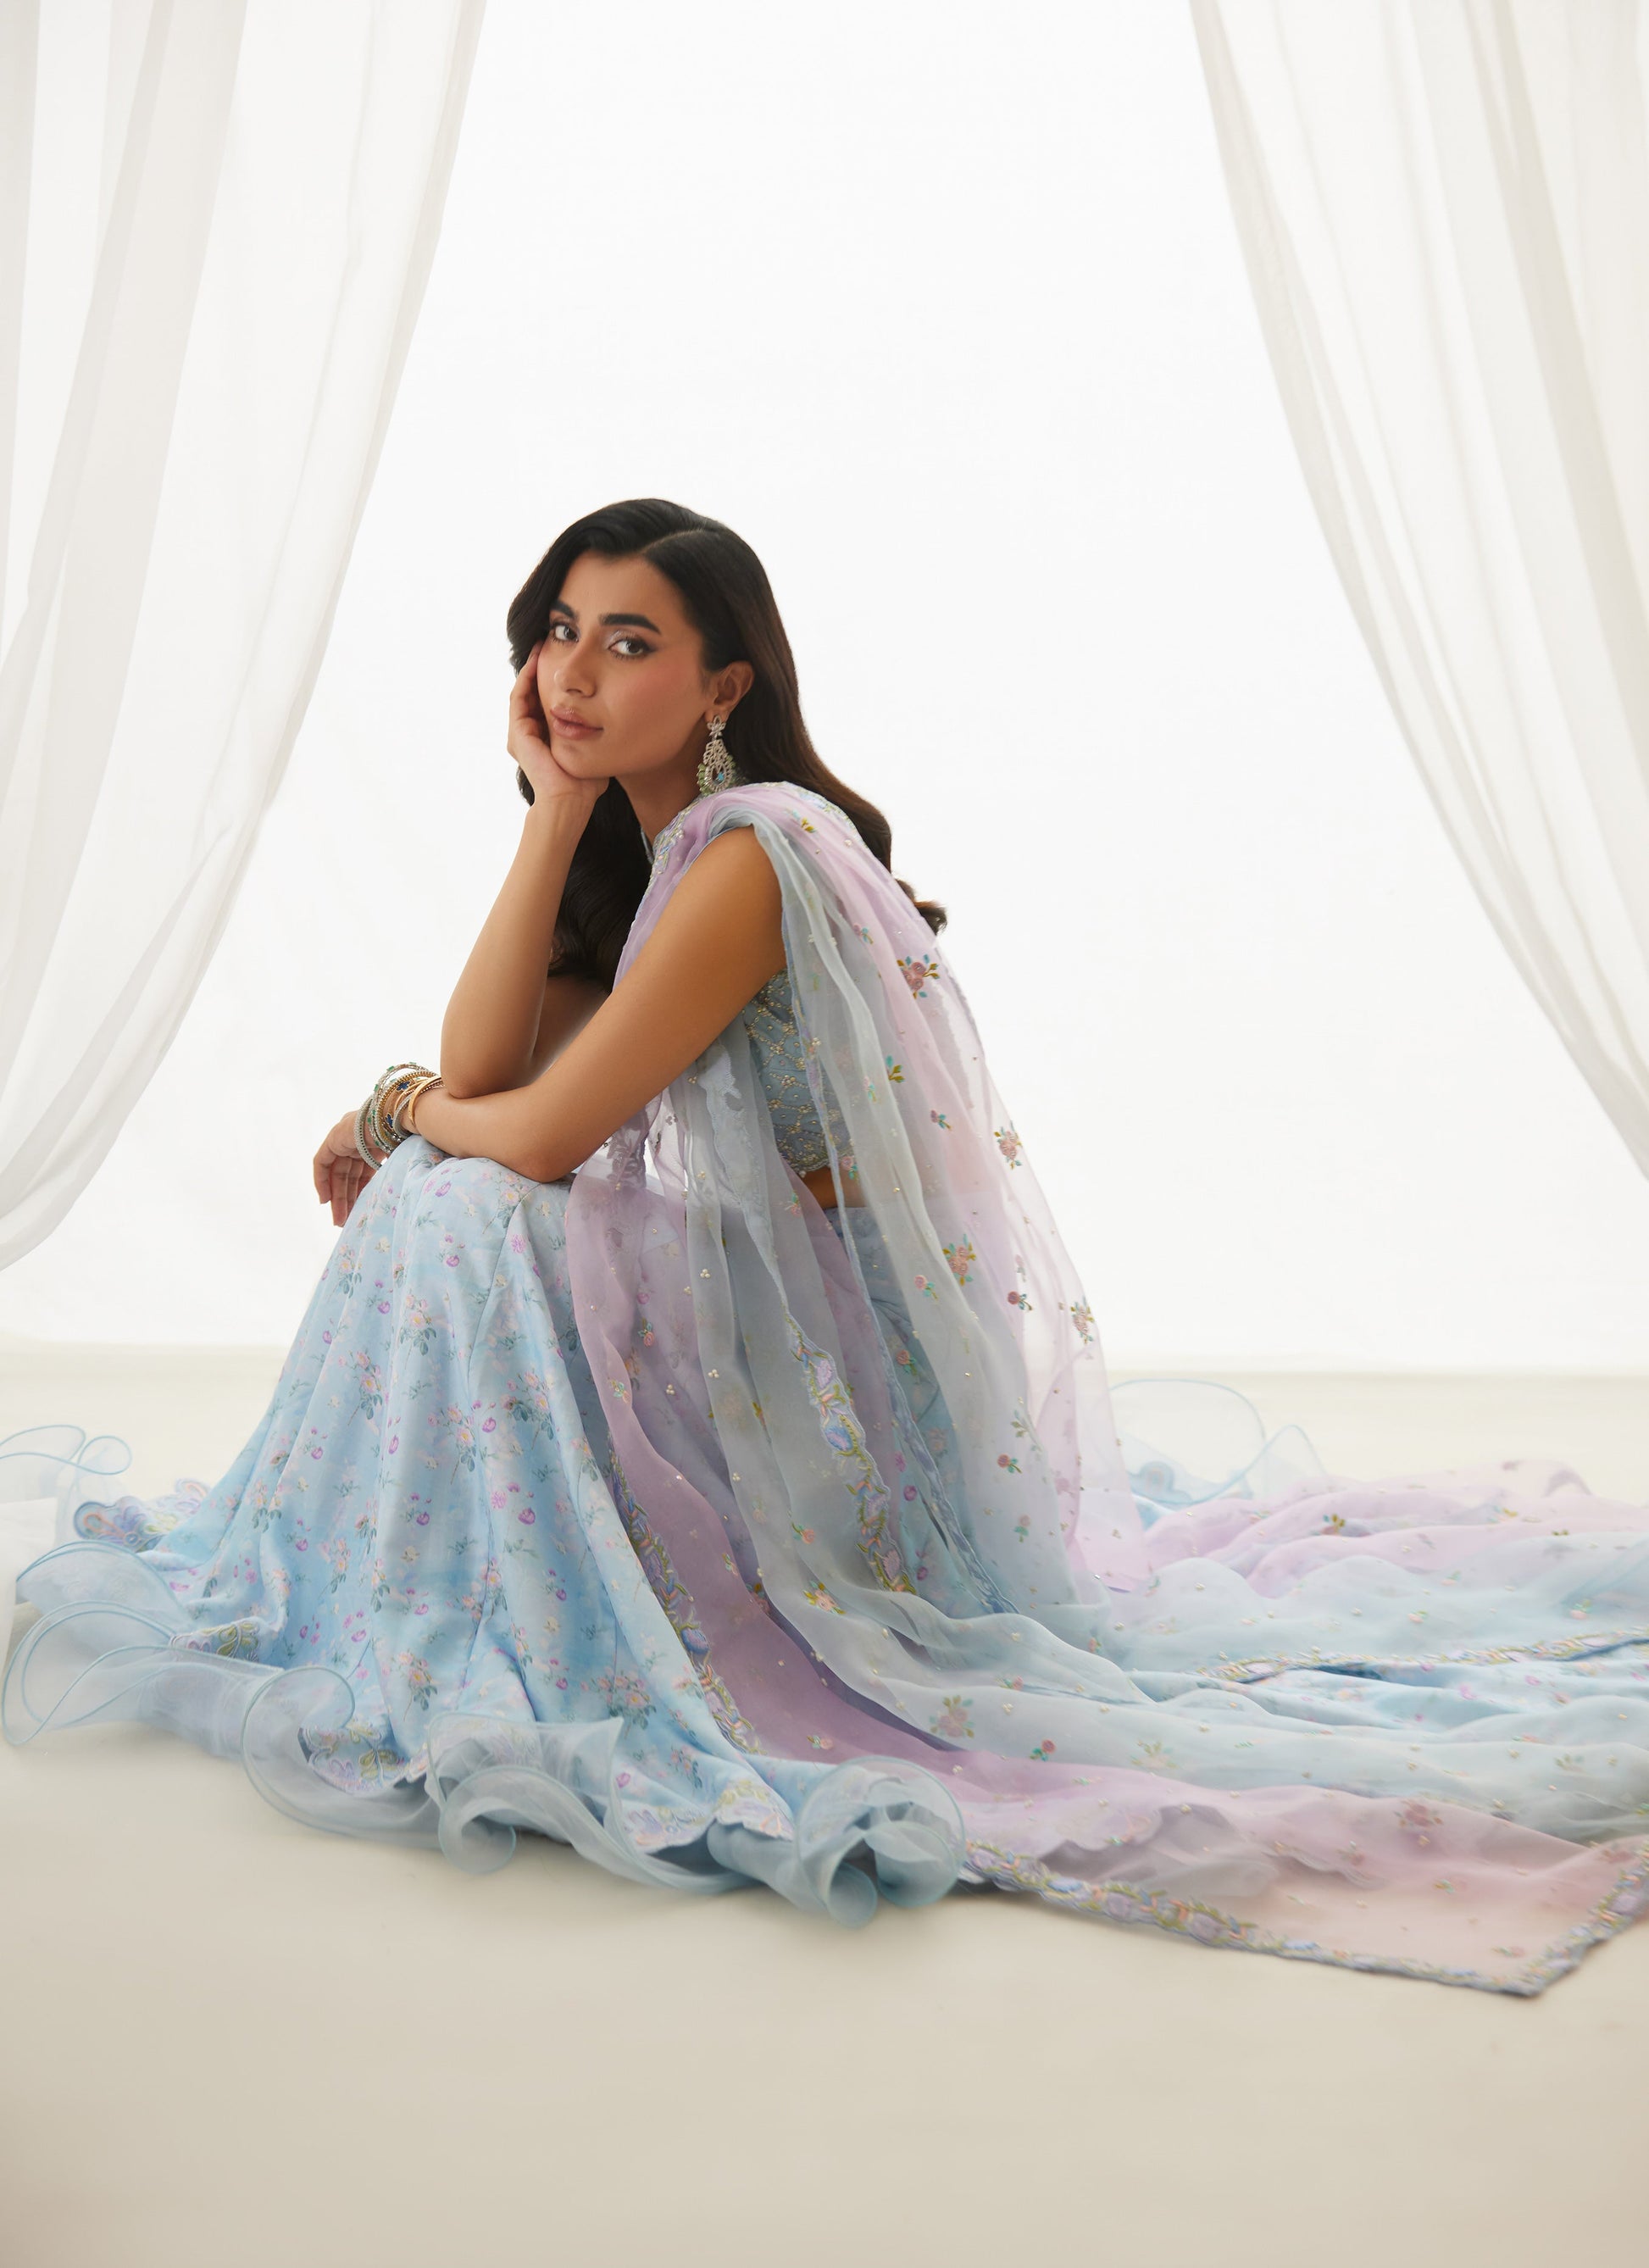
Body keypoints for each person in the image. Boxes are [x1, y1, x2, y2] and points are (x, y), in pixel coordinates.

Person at [8, 499, 1649, 1992]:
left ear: (723, 683)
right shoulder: (645, 849)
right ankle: (450, 1581)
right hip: (743, 1322)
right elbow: (496, 1069)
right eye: (558, 632)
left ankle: (488, 1589)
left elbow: (536, 1133)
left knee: (456, 1197)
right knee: (450, 1190)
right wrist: (550, 817)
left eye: (628, 642)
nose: (572, 672)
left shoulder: (749, 855)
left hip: (829, 1383)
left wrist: (391, 1111)